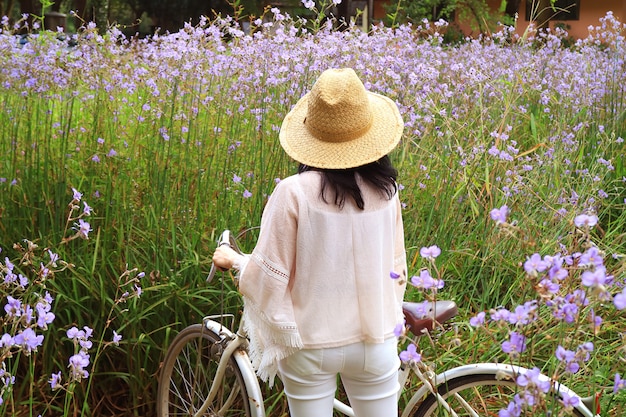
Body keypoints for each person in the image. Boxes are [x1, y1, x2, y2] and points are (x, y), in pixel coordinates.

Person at [212, 67, 407, 417]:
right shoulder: (386, 193)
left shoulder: (294, 192)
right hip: (375, 339)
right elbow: (396, 269)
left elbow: (267, 275)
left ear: (312, 135)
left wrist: (233, 261)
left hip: (310, 344)